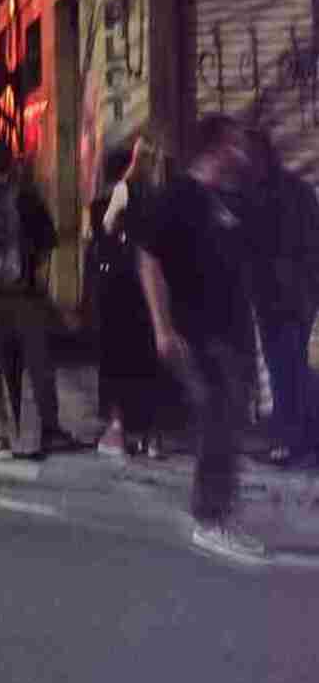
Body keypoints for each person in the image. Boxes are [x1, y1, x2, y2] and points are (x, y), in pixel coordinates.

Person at [135, 115, 267, 563]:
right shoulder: (178, 197)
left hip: (233, 334)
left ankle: (217, 514)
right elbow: (148, 259)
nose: (243, 152)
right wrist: (162, 326)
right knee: (218, 420)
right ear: (214, 149)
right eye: (235, 144)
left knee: (227, 421)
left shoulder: (231, 199)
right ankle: (210, 520)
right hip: (198, 334)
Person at [0, 135, 80, 459]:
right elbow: (49, 242)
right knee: (38, 361)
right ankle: (49, 430)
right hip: (21, 293)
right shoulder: (26, 198)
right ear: (12, 165)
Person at [239, 129, 319, 469]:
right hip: (301, 292)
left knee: (284, 366)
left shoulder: (261, 194)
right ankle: (299, 437)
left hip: (278, 294)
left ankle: (291, 440)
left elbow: (255, 247)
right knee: (294, 364)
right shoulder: (300, 190)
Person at [92, 131, 165, 459]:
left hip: (124, 282)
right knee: (148, 358)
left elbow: (107, 227)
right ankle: (152, 437)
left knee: (118, 354)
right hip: (157, 283)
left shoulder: (125, 189)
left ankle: (118, 429)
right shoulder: (163, 193)